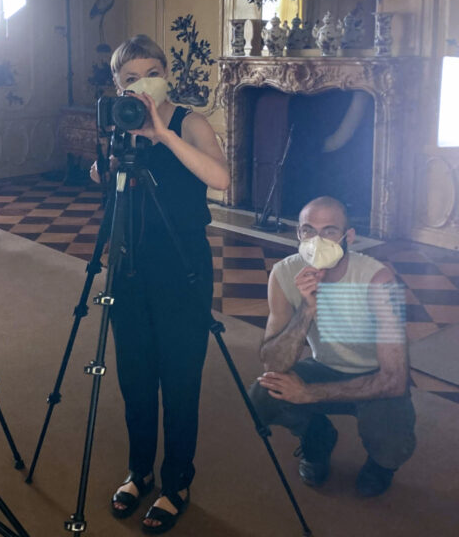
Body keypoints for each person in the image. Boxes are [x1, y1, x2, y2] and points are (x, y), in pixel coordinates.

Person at [89, 34, 229, 534]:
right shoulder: (118, 124)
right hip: (128, 265)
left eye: (151, 72)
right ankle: (138, 472)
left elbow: (221, 178)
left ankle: (177, 483)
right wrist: (107, 163)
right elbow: (116, 188)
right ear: (117, 84)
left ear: (165, 74)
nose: (142, 84)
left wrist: (163, 135)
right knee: (136, 378)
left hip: (181, 267)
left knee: (180, 378)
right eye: (130, 78)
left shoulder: (189, 121)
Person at [249, 196, 415, 497]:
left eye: (329, 231)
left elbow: (394, 379)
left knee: (391, 441)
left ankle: (380, 465)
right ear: (298, 234)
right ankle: (317, 438)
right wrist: (307, 310)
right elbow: (272, 363)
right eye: (308, 230)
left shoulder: (379, 280)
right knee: (263, 393)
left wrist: (309, 393)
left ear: (348, 237)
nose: (317, 240)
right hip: (323, 366)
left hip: (374, 375)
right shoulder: (284, 273)